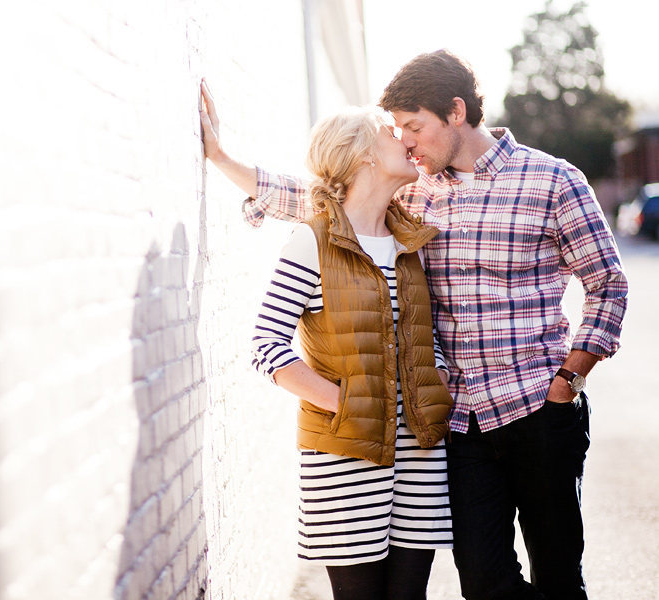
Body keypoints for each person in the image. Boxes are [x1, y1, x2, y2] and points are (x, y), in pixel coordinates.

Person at [200, 49, 628, 600]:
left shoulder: (553, 181)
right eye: (397, 130)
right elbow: (331, 193)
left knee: (559, 576)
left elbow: (609, 283)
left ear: (456, 112)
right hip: (461, 424)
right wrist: (223, 159)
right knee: (483, 582)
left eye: (414, 127)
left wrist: (569, 379)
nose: (406, 141)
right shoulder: (415, 194)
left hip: (538, 409)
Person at [250, 105, 454, 600]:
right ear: (363, 156)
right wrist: (343, 402)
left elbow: (426, 338)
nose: (405, 138)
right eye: (391, 132)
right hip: (344, 456)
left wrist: (439, 376)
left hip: (418, 451)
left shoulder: (412, 240)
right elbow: (266, 346)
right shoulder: (312, 241)